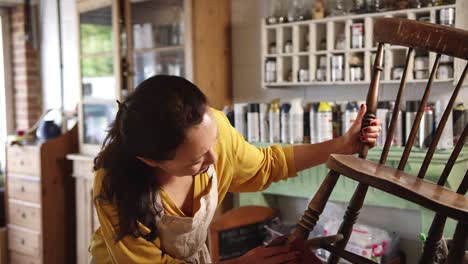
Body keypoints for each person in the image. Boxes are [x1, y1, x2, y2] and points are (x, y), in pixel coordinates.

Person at [89, 75, 381, 263]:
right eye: (196, 160)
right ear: (150, 160)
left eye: (213, 141)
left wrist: (341, 145)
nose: (215, 159)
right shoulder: (114, 184)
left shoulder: (210, 127)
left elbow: (267, 165)